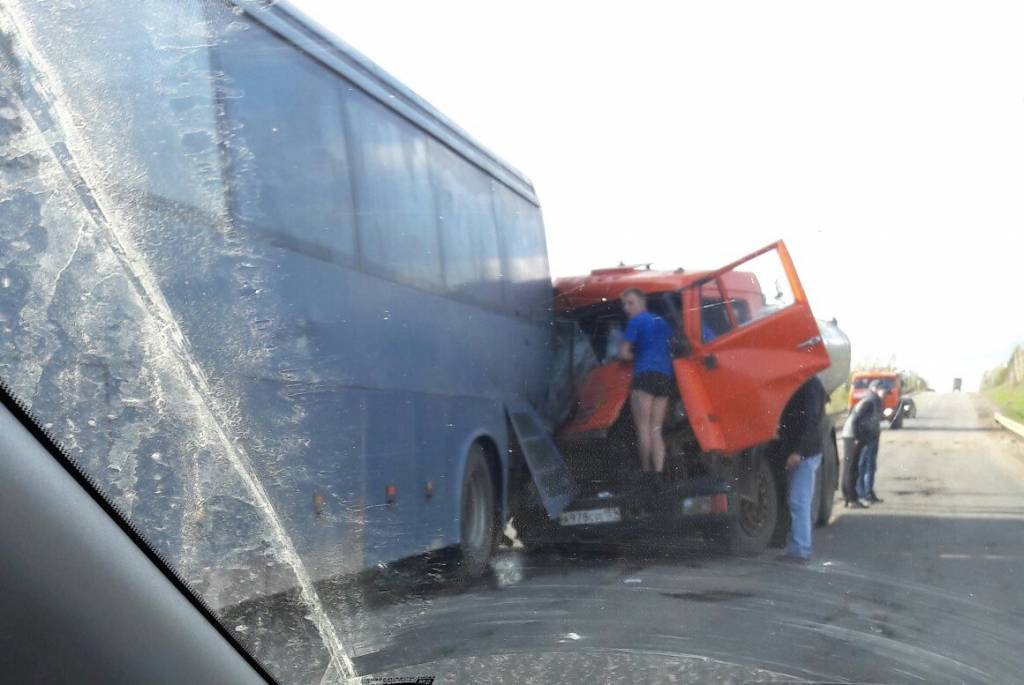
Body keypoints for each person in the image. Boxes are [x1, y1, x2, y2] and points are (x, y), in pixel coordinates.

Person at [617, 288, 674, 486]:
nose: (626, 308)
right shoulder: (662, 322)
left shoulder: (635, 322)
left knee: (643, 427)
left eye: (630, 303)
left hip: (644, 375)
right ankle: (658, 474)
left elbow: (623, 353)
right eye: (624, 304)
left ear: (642, 302)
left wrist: (637, 356)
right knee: (656, 429)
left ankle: (647, 474)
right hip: (665, 376)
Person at [776, 376, 827, 563]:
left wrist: (798, 452)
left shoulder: (810, 385)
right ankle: (798, 548)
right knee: (798, 501)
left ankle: (801, 550)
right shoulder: (809, 383)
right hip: (804, 451)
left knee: (799, 501)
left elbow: (810, 422)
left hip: (805, 453)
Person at [855, 380, 885, 505]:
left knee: (867, 465)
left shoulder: (872, 399)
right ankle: (865, 493)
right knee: (867, 466)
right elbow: (858, 418)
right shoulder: (871, 400)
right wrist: (860, 436)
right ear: (874, 388)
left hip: (870, 437)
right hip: (868, 438)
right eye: (881, 389)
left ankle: (866, 492)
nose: (883, 392)